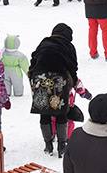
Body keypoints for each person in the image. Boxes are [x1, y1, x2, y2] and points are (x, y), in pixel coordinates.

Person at [30, 23, 79, 157]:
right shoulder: (68, 46)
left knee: (44, 112)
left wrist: (32, 74)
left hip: (40, 79)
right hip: (58, 80)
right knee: (61, 112)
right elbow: (73, 66)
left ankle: (48, 144)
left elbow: (34, 59)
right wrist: (73, 81)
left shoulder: (44, 42)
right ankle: (62, 146)